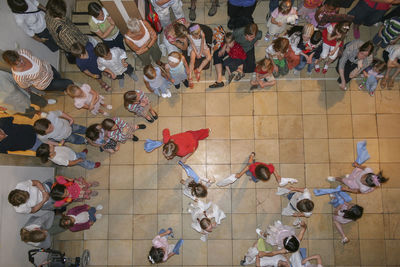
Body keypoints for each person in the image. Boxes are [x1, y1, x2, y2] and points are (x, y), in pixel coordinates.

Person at [2, 49, 73, 92]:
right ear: (12, 65)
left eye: (20, 59)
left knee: (60, 78)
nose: (22, 63)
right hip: (47, 83)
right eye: (18, 64)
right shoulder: (19, 77)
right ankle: (71, 89)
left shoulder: (23, 52)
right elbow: (25, 86)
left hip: (49, 68)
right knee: (68, 82)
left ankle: (63, 89)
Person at [36, 143, 101, 170]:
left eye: (49, 145)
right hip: (74, 159)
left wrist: (63, 145)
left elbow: (60, 148)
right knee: (84, 162)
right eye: (50, 147)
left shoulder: (52, 150)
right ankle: (91, 165)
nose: (51, 144)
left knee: (78, 154)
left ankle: (82, 154)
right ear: (49, 153)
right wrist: (77, 160)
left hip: (72, 153)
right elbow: (69, 163)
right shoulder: (58, 159)